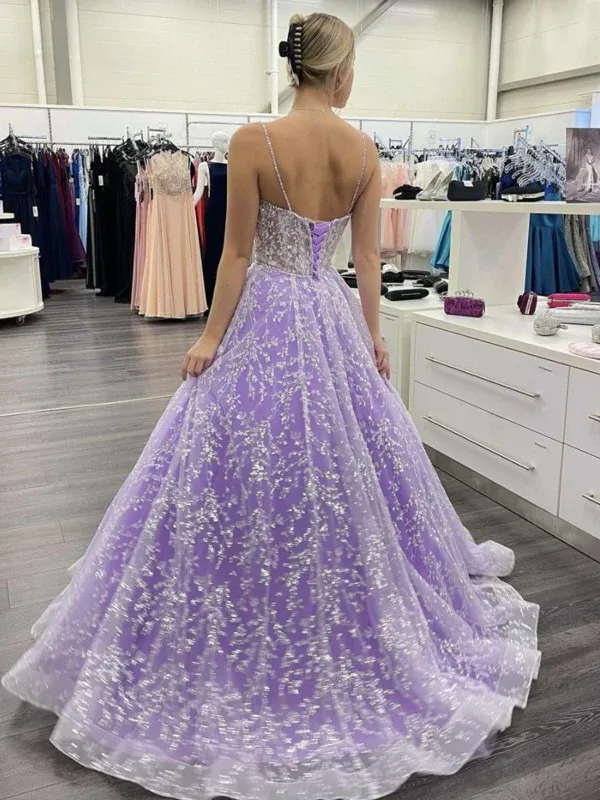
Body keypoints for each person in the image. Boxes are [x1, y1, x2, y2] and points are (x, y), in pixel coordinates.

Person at [2, 12, 540, 800]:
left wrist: (210, 338)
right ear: (339, 71)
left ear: (293, 68)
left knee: (238, 458)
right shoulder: (365, 152)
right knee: (345, 464)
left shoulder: (253, 140)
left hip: (266, 312)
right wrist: (372, 339)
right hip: (330, 313)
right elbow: (365, 259)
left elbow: (237, 255)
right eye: (351, 68)